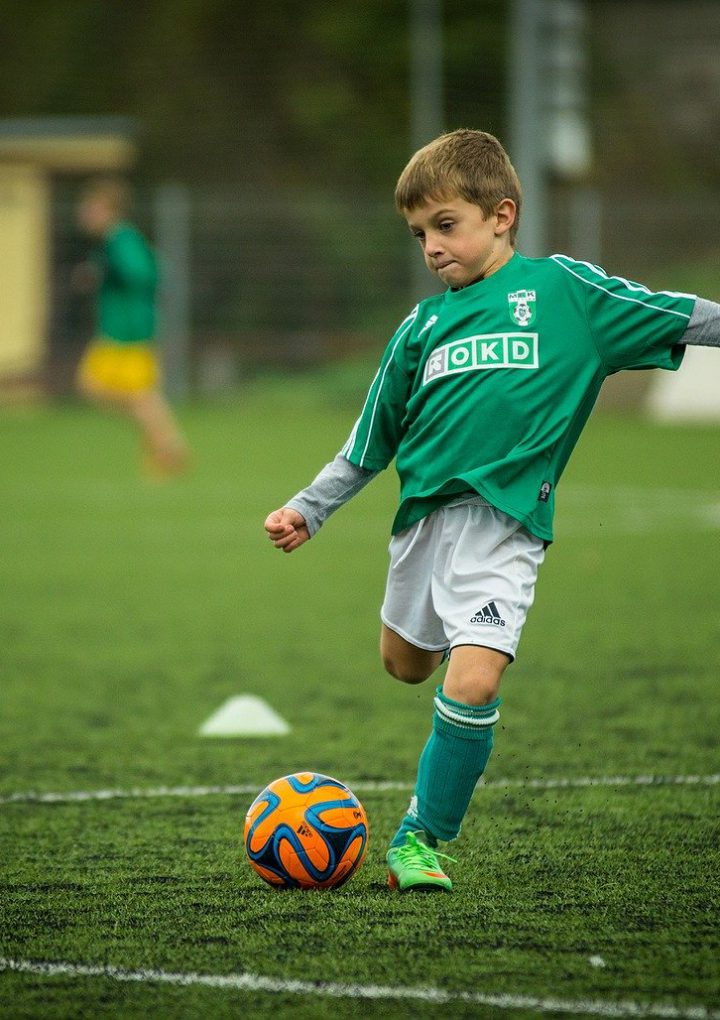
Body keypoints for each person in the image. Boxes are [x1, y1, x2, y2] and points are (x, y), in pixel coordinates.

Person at [264, 129, 720, 893]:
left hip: (506, 529)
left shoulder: (566, 293)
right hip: (422, 528)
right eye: (419, 235)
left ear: (501, 214)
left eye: (446, 225)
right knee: (405, 664)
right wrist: (310, 510)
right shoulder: (420, 328)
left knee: (472, 683)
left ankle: (420, 838)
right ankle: (456, 661)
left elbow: (678, 313)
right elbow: (369, 439)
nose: (432, 248)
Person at [75, 176, 189, 476]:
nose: (85, 214)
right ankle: (165, 442)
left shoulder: (120, 239)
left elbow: (146, 273)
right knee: (103, 390)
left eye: (91, 208)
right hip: (117, 329)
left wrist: (109, 273)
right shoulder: (112, 242)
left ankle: (167, 446)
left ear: (108, 210)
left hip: (128, 331)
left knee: (133, 394)